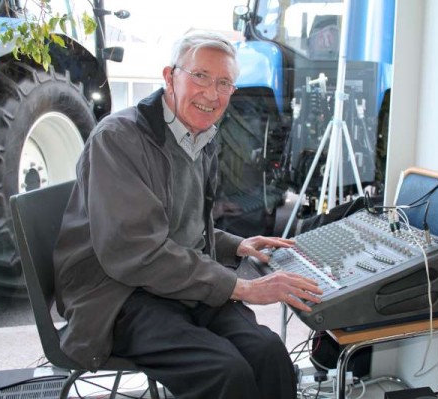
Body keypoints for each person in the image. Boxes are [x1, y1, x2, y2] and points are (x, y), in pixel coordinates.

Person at [53, 30, 323, 399]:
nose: (212, 94)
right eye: (200, 77)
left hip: (176, 282)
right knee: (225, 372)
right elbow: (135, 252)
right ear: (169, 77)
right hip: (119, 294)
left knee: (269, 353)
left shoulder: (200, 136)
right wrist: (241, 287)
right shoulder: (117, 139)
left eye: (224, 83)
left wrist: (235, 245)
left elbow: (182, 223)